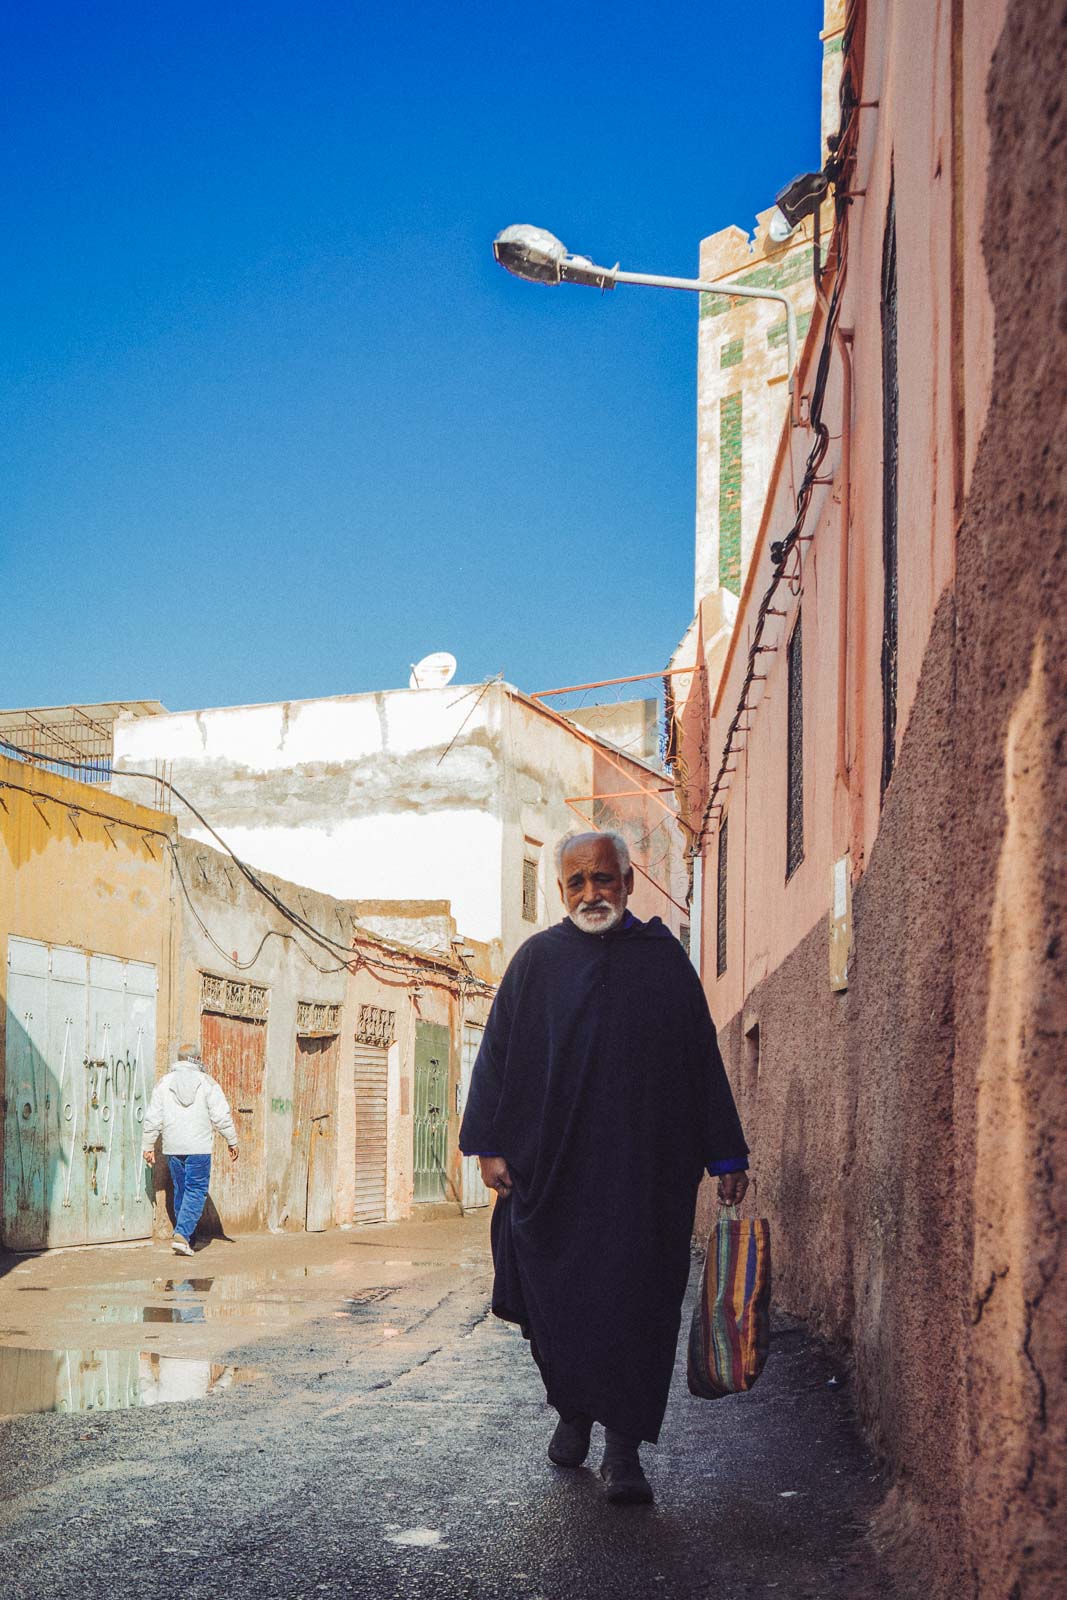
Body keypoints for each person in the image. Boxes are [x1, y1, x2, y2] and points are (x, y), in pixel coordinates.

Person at [459, 830, 749, 1506]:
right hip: (554, 1175)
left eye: (604, 880)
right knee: (556, 1305)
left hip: (645, 1178)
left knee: (638, 1308)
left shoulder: (662, 961)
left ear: (626, 882)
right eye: (576, 884)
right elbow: (496, 1057)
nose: (592, 894)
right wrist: (488, 1145)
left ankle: (623, 1452)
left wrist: (725, 1151)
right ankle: (572, 1411)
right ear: (562, 892)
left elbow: (698, 1058)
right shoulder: (535, 961)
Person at [142, 1044, 239, 1256]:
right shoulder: (207, 1083)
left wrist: (148, 1145)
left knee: (181, 1191)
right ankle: (183, 1235)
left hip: (172, 1148)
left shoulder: (164, 1083)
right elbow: (221, 1116)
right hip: (199, 1148)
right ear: (196, 1059)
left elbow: (153, 1117)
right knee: (196, 1190)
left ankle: (187, 1236)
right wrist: (231, 1140)